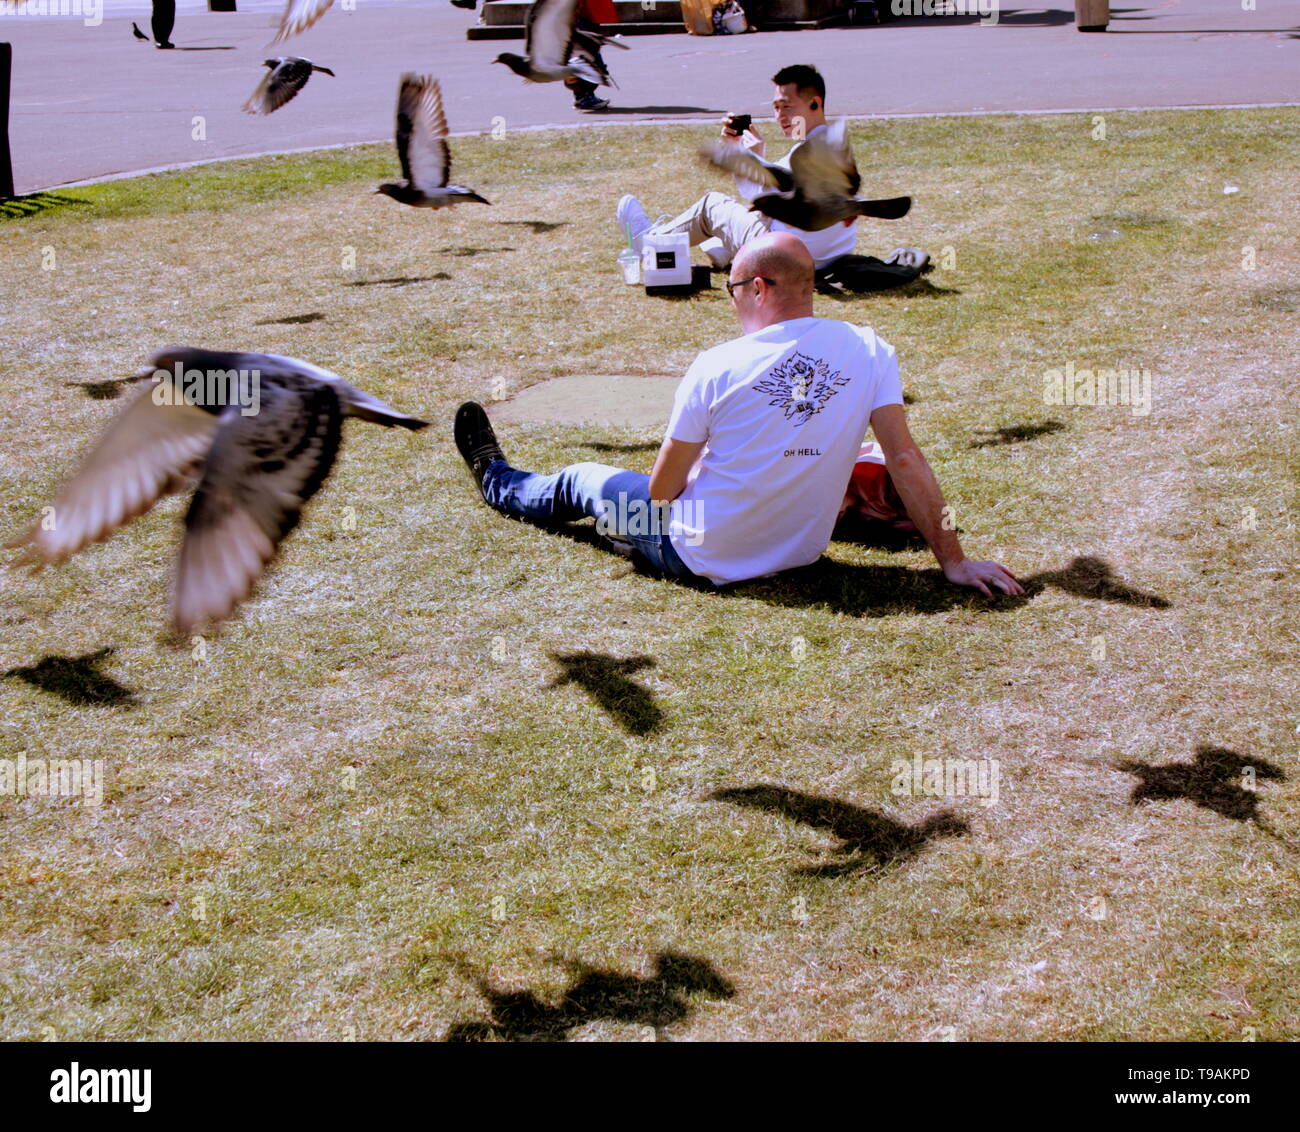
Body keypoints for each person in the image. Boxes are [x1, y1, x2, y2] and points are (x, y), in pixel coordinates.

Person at [453, 232, 1021, 597]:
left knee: (580, 480)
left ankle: (497, 480)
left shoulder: (717, 365)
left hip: (698, 554)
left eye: (729, 288)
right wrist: (954, 562)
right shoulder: (870, 347)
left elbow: (661, 493)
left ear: (756, 286)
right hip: (798, 553)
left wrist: (696, 476)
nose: (729, 300)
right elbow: (904, 457)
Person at [617, 64, 927, 287]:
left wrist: (736, 150)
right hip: (830, 256)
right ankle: (726, 253)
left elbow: (759, 195)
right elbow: (781, 187)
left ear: (815, 103)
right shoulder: (829, 147)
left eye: (787, 106)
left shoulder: (807, 154)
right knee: (758, 211)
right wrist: (754, 154)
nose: (779, 115)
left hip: (785, 255)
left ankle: (651, 244)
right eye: (776, 107)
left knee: (712, 205)